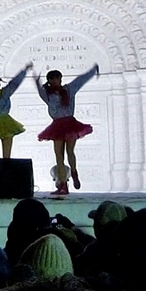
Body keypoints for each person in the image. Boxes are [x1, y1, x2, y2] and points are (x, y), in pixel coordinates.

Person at [36, 64, 98, 195]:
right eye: (51, 79)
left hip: (69, 123)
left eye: (56, 78)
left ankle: (74, 173)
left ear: (60, 79)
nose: (54, 81)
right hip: (57, 125)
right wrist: (37, 81)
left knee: (70, 151)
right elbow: (40, 91)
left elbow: (80, 80)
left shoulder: (69, 89)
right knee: (59, 155)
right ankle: (63, 184)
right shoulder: (48, 94)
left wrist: (92, 71)